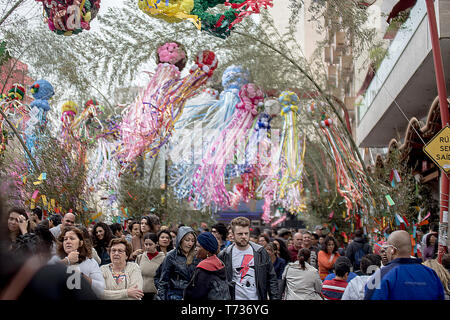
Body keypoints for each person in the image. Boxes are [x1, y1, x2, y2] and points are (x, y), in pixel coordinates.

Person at [364, 230, 445, 300]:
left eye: (387, 248)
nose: (386, 251)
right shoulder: (431, 274)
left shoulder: (381, 275)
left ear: (392, 250)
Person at [217, 217, 280, 300]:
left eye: (246, 233)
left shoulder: (260, 252)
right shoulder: (225, 254)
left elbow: (271, 279)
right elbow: (219, 283)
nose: (244, 236)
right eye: (240, 234)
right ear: (232, 234)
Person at [48, 226, 105, 298]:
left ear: (80, 243)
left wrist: (81, 276)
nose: (68, 241)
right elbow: (43, 277)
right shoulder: (55, 259)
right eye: (65, 239)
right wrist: (67, 261)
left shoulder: (90, 262)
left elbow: (100, 289)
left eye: (72, 238)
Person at [156, 226, 200, 300]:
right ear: (180, 240)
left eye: (192, 241)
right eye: (187, 240)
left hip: (192, 295)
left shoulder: (196, 256)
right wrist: (162, 297)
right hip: (175, 295)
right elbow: (163, 281)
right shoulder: (171, 256)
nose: (190, 244)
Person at [184, 232, 230, 300]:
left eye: (198, 246)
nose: (195, 249)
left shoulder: (204, 268)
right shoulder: (219, 263)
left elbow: (197, 294)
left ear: (207, 250)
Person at [135, 232, 165, 300]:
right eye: (146, 244)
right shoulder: (140, 257)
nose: (148, 247)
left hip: (156, 294)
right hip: (141, 293)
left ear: (156, 244)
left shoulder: (163, 258)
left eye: (150, 244)